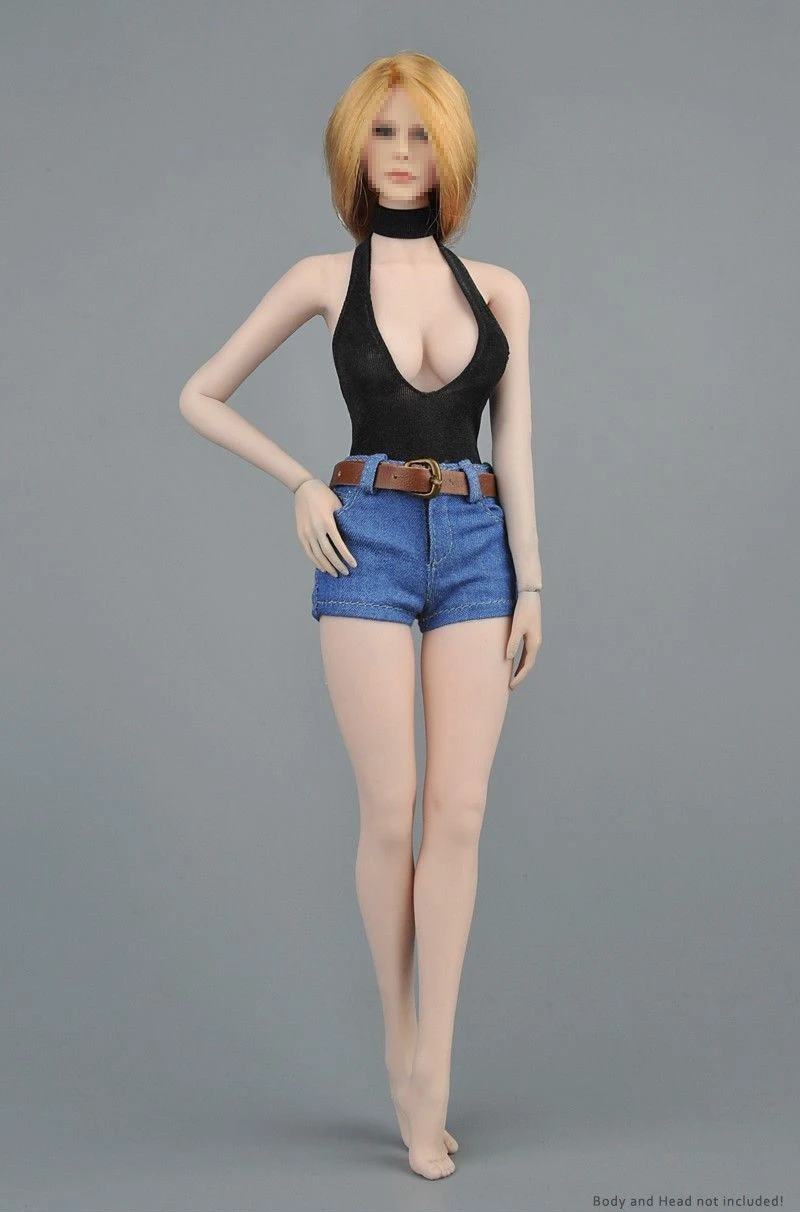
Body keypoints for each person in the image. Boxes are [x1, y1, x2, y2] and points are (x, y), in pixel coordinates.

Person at [179, 51, 543, 1182]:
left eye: (420, 134)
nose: (400, 153)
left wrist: (533, 581)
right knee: (390, 811)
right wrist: (300, 480)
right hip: (366, 541)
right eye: (383, 132)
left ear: (450, 150)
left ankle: (435, 1062)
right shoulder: (321, 278)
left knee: (459, 810)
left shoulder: (501, 290)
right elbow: (199, 392)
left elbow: (516, 445)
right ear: (354, 146)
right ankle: (399, 1042)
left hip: (477, 545)